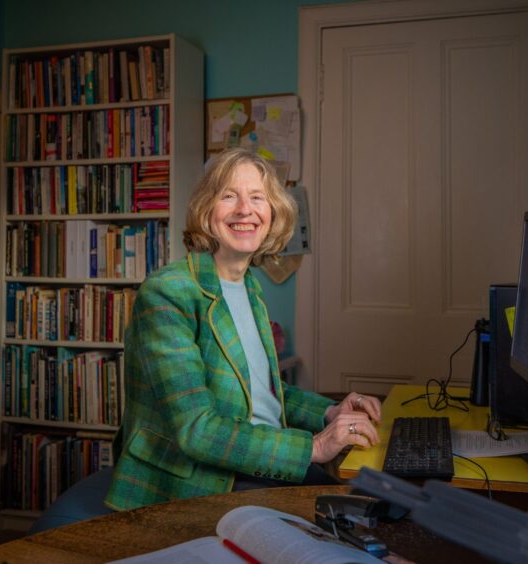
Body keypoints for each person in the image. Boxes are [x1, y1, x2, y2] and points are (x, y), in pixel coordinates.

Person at [105, 148, 382, 511]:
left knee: (380, 503)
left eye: (257, 198)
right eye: (228, 196)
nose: (244, 210)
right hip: (198, 482)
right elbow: (196, 430)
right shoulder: (169, 291)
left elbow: (261, 392)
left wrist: (330, 413)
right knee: (359, 517)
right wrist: (314, 447)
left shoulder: (247, 285)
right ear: (206, 210)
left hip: (252, 461)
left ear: (273, 214)